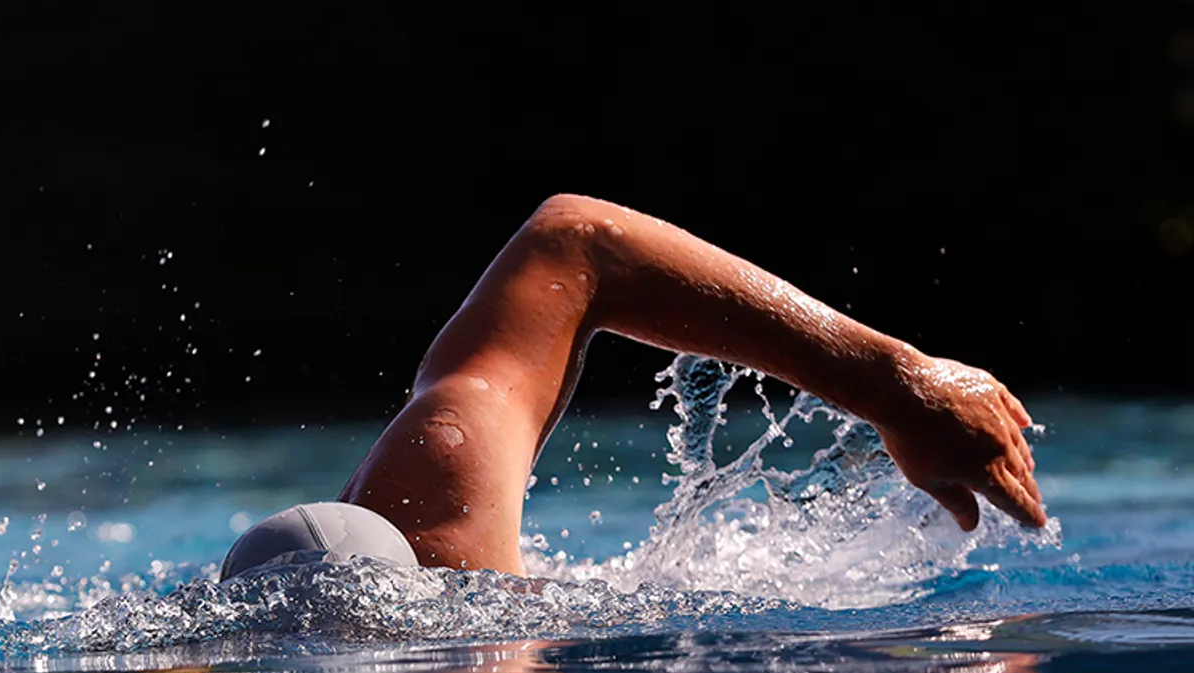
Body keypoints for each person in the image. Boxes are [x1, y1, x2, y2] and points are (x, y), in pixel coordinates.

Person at [220, 194, 1044, 581]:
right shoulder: (435, 520)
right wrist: (894, 385)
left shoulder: (434, 504)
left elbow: (575, 243)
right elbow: (571, 241)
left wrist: (893, 383)